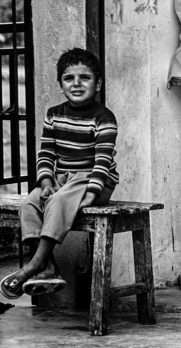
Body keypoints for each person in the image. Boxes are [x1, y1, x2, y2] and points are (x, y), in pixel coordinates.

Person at [1, 49, 118, 300]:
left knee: (58, 200)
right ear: (61, 85)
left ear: (98, 84)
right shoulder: (54, 114)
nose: (76, 84)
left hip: (95, 179)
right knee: (30, 204)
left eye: (85, 78)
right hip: (64, 179)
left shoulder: (104, 117)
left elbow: (103, 160)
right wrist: (45, 183)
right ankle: (50, 268)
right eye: (69, 78)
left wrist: (91, 194)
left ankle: (34, 265)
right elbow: (46, 155)